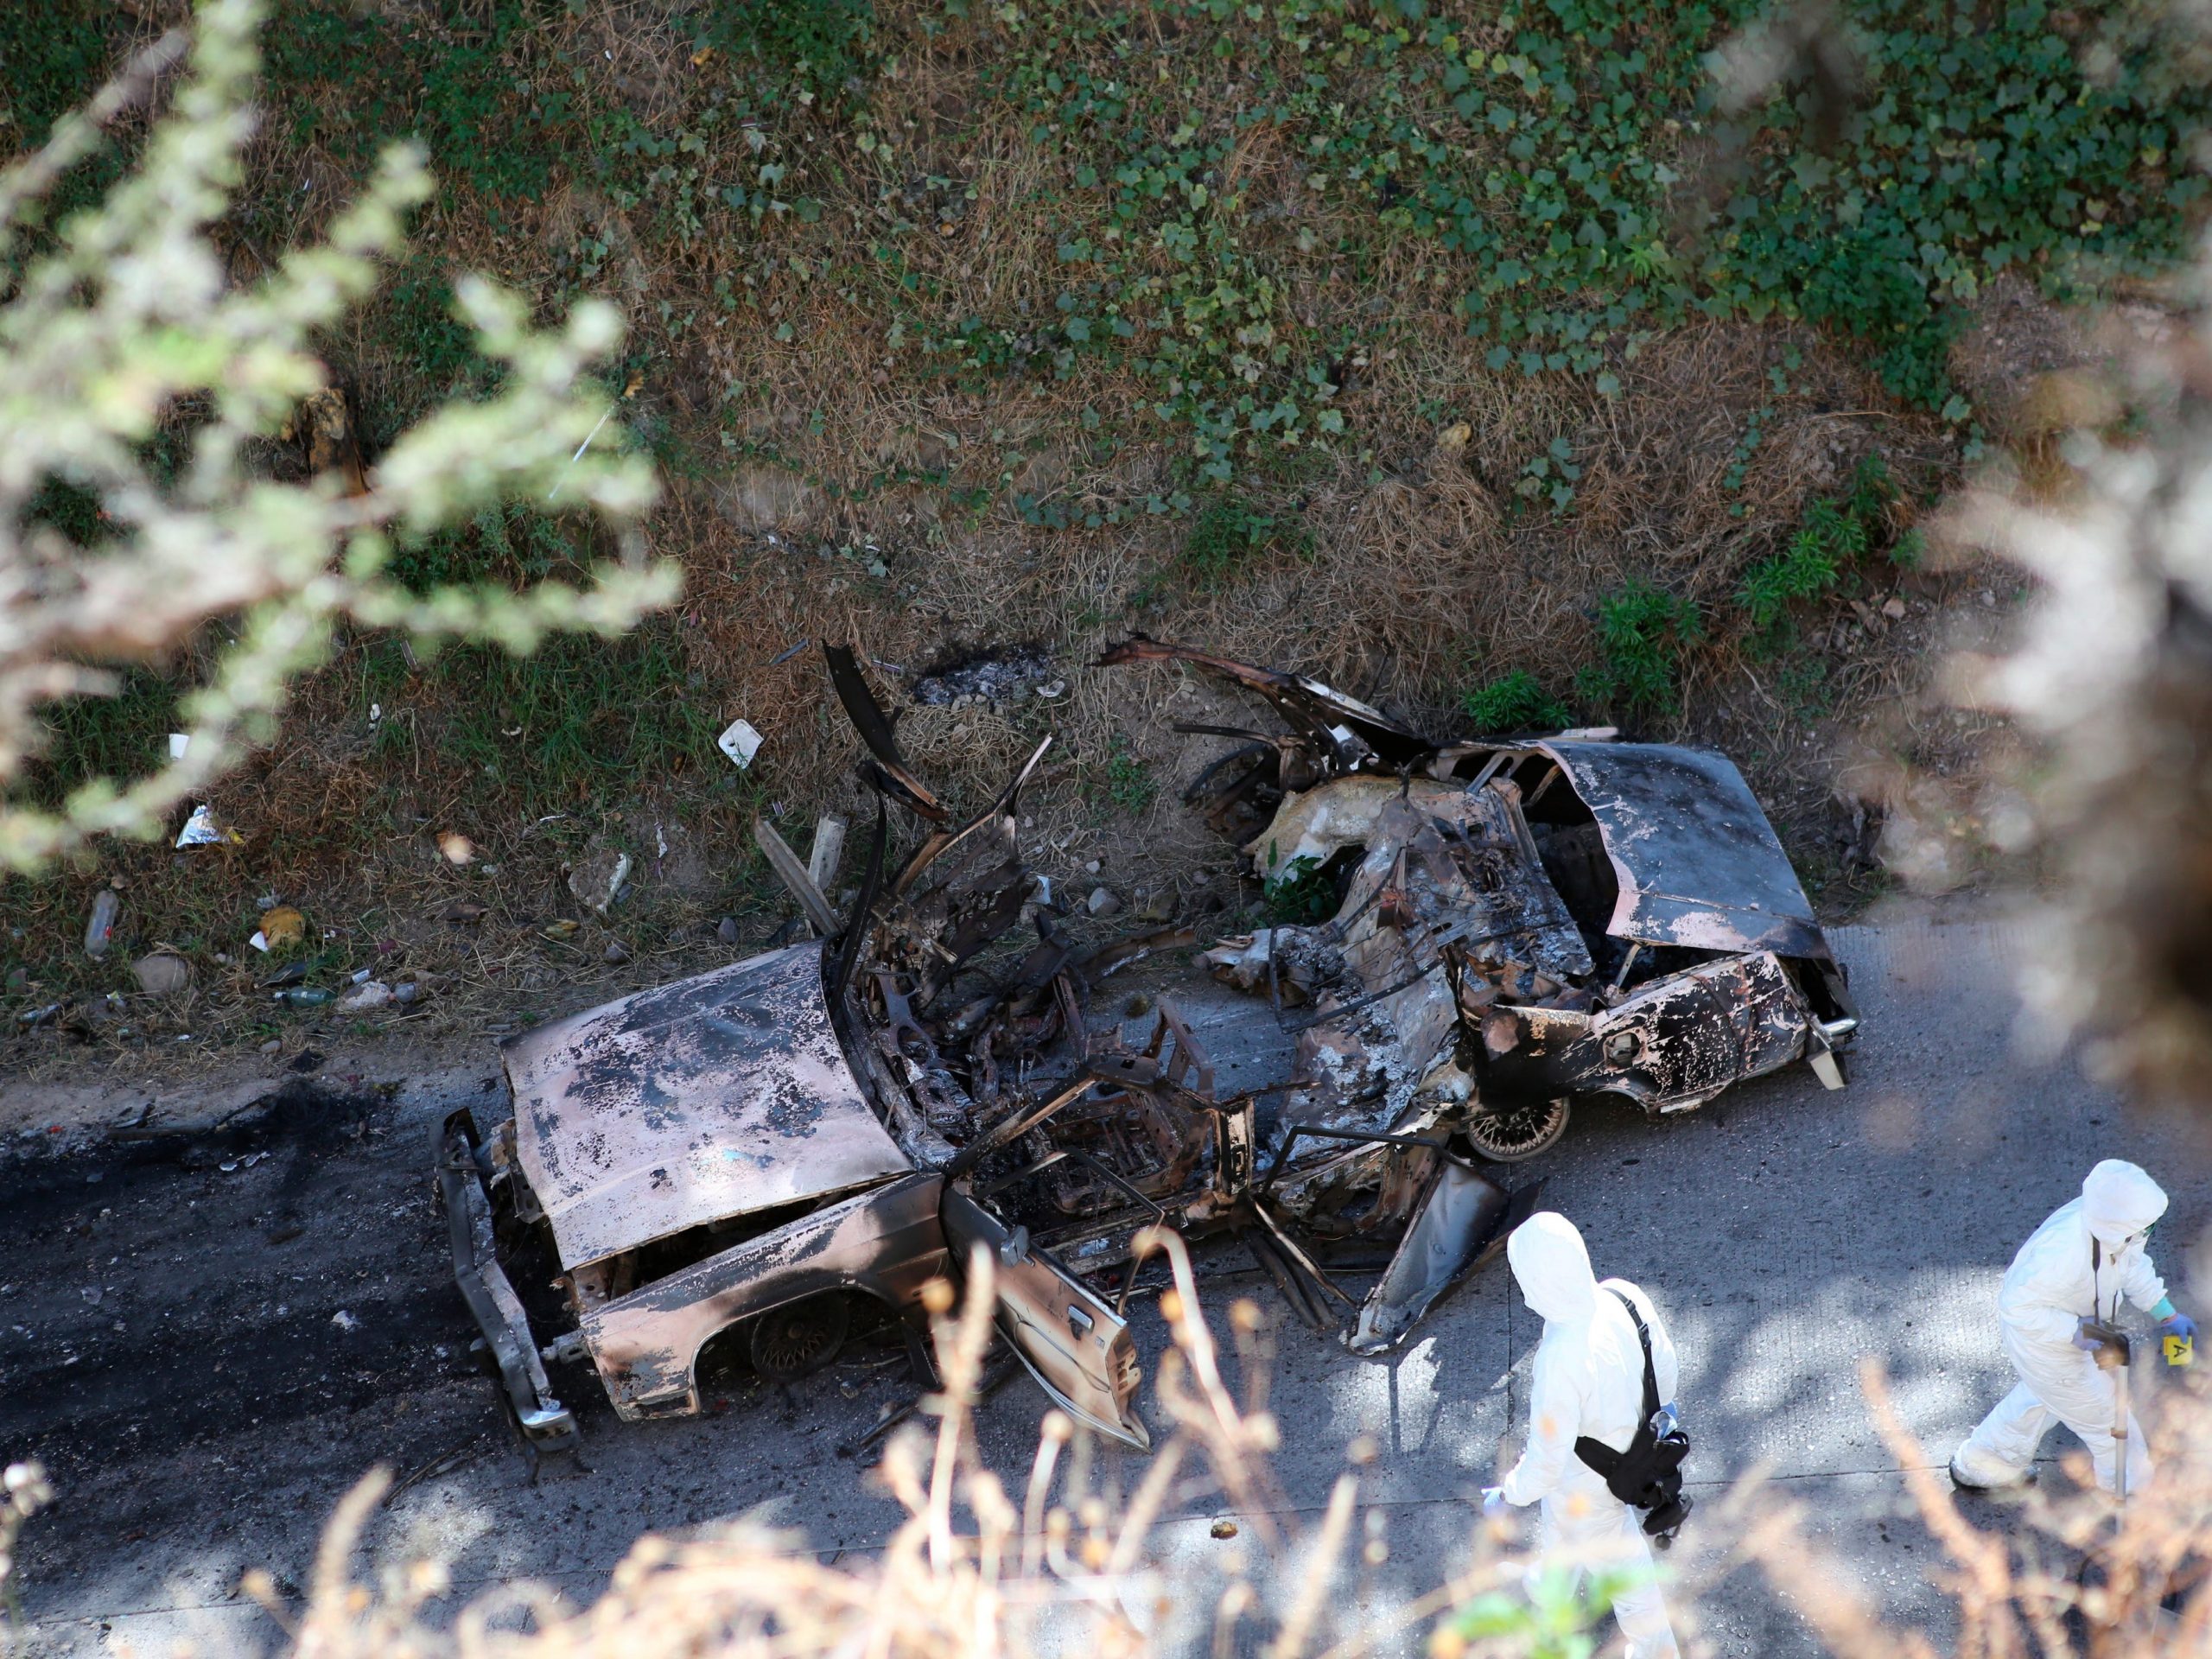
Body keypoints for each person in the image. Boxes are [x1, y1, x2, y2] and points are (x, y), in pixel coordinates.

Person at [1481, 1211, 1681, 1659]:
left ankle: (1658, 1651)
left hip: (1591, 1488)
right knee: (1562, 1531)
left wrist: (1510, 1494)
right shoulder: (1622, 1294)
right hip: (1640, 1453)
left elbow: (1547, 1461)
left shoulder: (1558, 1360)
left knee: (1628, 1579)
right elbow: (1664, 1373)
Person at [1951, 1159, 2195, 1495]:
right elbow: (2018, 1308)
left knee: (2046, 1397)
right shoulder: (2061, 1253)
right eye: (2146, 1228)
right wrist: (2083, 1333)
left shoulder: (2112, 1225)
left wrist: (2166, 1313)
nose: (2148, 1233)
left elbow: (2131, 1263)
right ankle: (2136, 1500)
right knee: (2112, 1424)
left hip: (2080, 1336)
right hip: (2047, 1346)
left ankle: (1983, 1464)